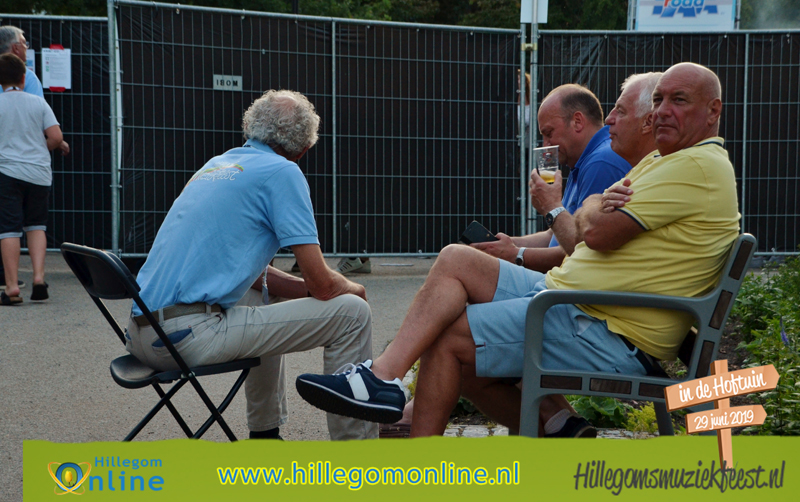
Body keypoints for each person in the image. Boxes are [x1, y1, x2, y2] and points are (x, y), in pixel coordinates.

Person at [296, 62, 740, 439]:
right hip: (575, 303)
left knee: (449, 339)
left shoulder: (693, 166)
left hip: (603, 324)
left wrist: (572, 212)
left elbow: (592, 233)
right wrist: (582, 211)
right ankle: (385, 379)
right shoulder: (665, 160)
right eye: (659, 100)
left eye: (678, 100)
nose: (660, 112)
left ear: (713, 110)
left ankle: (418, 457)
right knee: (456, 258)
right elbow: (589, 219)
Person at [380, 83, 634, 438]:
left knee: (454, 292)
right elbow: (563, 235)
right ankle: (558, 422)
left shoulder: (603, 161)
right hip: (578, 299)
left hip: (586, 311)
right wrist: (511, 245)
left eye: (548, 132)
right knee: (459, 272)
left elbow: (580, 248)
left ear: (577, 121)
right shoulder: (587, 161)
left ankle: (385, 383)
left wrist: (523, 246)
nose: (544, 142)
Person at [125, 90, 378, 440]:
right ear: (303, 149)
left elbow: (257, 276)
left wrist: (309, 291)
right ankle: (356, 458)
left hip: (142, 334)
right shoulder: (283, 172)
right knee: (353, 314)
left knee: (264, 295)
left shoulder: (218, 165)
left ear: (251, 128)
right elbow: (322, 284)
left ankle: (265, 436)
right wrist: (352, 288)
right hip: (184, 338)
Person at [0, 54, 67, 305]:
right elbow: (56, 137)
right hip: (39, 173)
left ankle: (11, 287)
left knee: (9, 228)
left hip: (7, 172)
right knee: (36, 226)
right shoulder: (38, 103)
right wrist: (41, 148)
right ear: (23, 77)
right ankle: (39, 278)